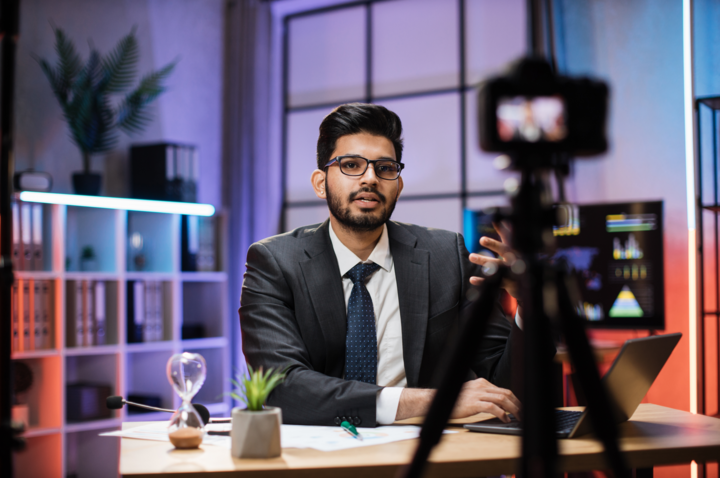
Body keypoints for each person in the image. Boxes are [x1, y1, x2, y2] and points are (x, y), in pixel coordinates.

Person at [240, 103, 527, 427]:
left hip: (429, 457)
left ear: (398, 185)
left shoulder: (447, 255)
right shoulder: (275, 262)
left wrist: (529, 308)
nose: (371, 179)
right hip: (319, 459)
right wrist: (438, 400)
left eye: (386, 168)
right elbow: (283, 388)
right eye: (351, 165)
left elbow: (507, 386)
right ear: (320, 183)